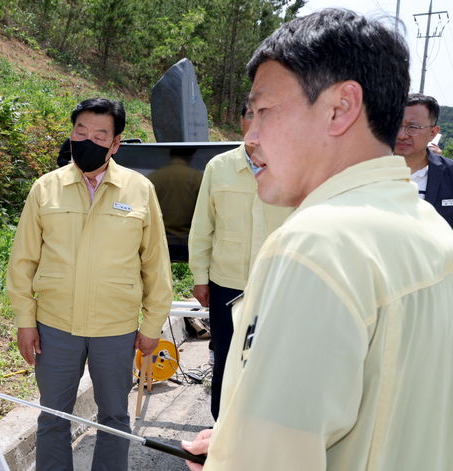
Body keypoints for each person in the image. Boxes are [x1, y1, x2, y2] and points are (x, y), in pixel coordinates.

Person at [182, 8, 453, 470]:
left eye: (264, 110)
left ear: (340, 107)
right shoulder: (430, 229)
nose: (251, 136)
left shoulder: (315, 245)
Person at [7, 97, 172, 470]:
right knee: (52, 417)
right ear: (71, 132)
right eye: (81, 131)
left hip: (114, 328)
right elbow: (23, 261)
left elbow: (155, 264)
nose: (88, 140)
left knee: (114, 418)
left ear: (115, 144)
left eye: (100, 135)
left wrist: (151, 325)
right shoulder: (45, 189)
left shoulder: (138, 190)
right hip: (54, 326)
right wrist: (25, 320)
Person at [187, 102, 292, 419]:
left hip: (279, 285)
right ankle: (222, 440)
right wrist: (200, 277)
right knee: (227, 363)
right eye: (250, 115)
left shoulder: (293, 166)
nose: (258, 124)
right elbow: (203, 226)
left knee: (274, 366)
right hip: (226, 287)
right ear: (242, 121)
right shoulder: (219, 167)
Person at [394, 93, 453, 227]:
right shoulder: (366, 171)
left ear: (432, 133)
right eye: (395, 125)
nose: (402, 135)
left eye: (413, 127)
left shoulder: (450, 174)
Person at [147, 146, 203, 262]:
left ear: (170, 155)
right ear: (190, 156)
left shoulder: (153, 177)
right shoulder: (198, 178)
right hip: (188, 243)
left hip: (159, 241)